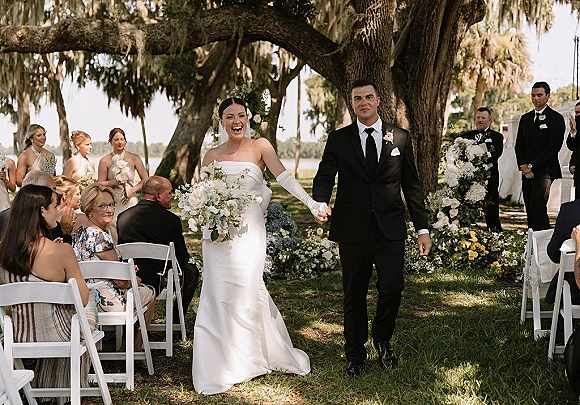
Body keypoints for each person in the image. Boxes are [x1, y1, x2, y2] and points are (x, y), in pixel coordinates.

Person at [191, 97, 327, 395]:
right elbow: (203, 195)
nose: (236, 120)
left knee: (246, 287)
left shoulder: (261, 146)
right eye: (229, 116)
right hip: (217, 237)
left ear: (248, 117)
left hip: (249, 232)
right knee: (217, 293)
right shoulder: (211, 154)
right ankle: (219, 362)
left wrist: (311, 203)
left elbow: (285, 178)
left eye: (241, 115)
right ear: (221, 121)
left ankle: (252, 356)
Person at [312, 78, 431, 377]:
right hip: (352, 228)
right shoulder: (339, 139)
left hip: (389, 227)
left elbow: (411, 185)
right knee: (354, 293)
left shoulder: (400, 138)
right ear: (351, 103)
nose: (363, 102)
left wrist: (422, 229)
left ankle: (383, 339)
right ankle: (355, 354)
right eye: (357, 98)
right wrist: (320, 202)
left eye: (368, 97)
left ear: (379, 101)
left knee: (392, 286)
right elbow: (325, 175)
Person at [0, 184, 96, 404]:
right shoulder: (61, 251)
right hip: (60, 334)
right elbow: (80, 300)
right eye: (56, 205)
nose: (60, 211)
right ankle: (63, 389)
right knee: (88, 305)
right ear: (42, 211)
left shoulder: (3, 251)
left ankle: (45, 387)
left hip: (17, 334)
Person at [72, 183, 156, 364]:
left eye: (111, 205)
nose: (109, 209)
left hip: (83, 298)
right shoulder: (101, 237)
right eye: (102, 206)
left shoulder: (79, 232)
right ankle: (133, 348)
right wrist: (132, 278)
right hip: (107, 302)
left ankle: (127, 347)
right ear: (89, 210)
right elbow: (120, 282)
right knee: (149, 292)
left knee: (137, 290)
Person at [117, 175, 200, 321]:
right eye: (169, 193)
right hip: (161, 281)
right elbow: (182, 259)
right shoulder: (171, 220)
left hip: (131, 278)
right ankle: (176, 320)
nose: (172, 196)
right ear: (157, 195)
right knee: (192, 271)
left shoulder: (123, 217)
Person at [515, 81, 566, 231]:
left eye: (539, 95)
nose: (536, 98)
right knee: (529, 207)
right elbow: (519, 145)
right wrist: (523, 166)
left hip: (545, 171)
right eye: (533, 95)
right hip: (526, 171)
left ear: (548, 96)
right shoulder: (525, 118)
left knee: (538, 206)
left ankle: (543, 241)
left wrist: (531, 166)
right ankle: (532, 242)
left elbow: (552, 148)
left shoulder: (556, 118)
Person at [97, 127, 149, 239]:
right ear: (110, 141)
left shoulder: (134, 158)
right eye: (116, 140)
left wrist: (132, 191)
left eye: (122, 139)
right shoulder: (105, 161)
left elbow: (145, 179)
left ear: (125, 140)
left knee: (133, 225)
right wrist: (113, 182)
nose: (120, 142)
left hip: (130, 199)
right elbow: (100, 183)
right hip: (114, 200)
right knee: (114, 226)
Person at [460, 107, 504, 231]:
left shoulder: (497, 137)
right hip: (470, 179)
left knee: (492, 209)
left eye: (483, 118)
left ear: (489, 120)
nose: (480, 120)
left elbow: (495, 154)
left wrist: (475, 155)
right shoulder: (466, 137)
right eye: (478, 117)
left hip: (489, 179)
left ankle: (495, 235)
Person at [0, 171, 74, 243]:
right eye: (52, 190)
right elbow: (57, 251)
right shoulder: (38, 220)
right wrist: (65, 232)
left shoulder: (4, 215)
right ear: (38, 193)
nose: (56, 194)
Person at [566, 102, 580, 200]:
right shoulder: (576, 127)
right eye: (576, 113)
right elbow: (573, 148)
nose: (577, 116)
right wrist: (573, 132)